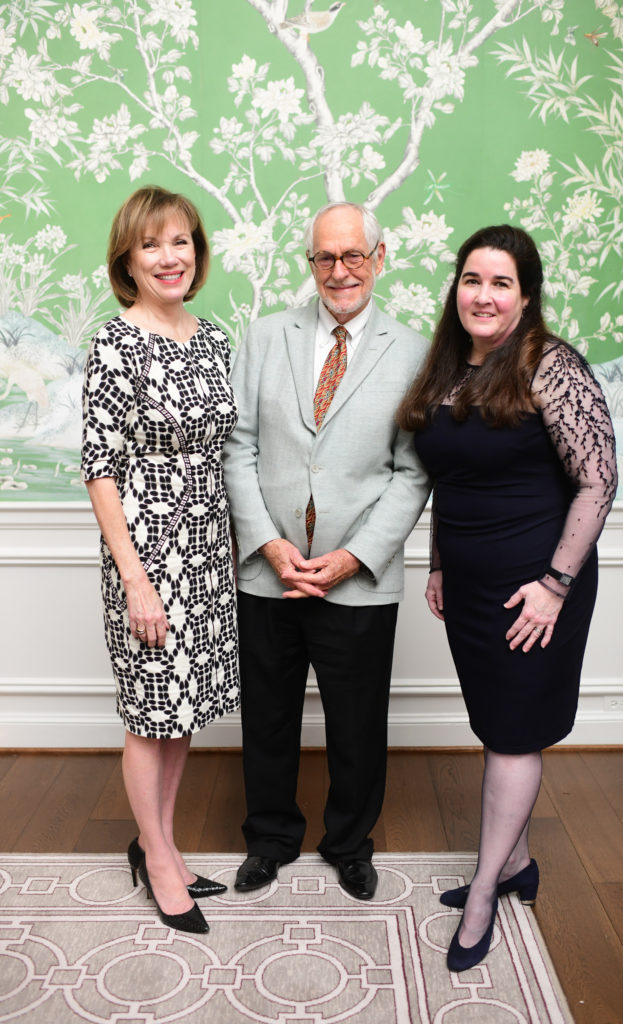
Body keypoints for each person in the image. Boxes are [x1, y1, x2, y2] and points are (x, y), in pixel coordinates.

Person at [398, 224, 617, 971]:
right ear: (454, 288)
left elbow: (598, 480)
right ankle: (516, 862)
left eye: (500, 283)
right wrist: (436, 564)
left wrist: (554, 586)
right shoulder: (446, 368)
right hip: (468, 582)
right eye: (471, 279)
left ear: (525, 297)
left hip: (534, 585)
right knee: (496, 724)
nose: (482, 295)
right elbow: (446, 477)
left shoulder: (549, 366)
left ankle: (487, 889)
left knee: (514, 733)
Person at [223, 201, 430, 901]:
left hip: (357, 577)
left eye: (352, 256)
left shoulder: (415, 351)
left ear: (379, 255)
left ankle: (348, 844)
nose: (338, 271)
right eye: (323, 257)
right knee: (269, 716)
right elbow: (239, 448)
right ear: (309, 262)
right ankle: (270, 840)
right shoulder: (262, 338)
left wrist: (352, 557)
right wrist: (268, 543)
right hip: (268, 570)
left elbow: (413, 472)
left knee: (356, 723)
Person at [81, 186, 240, 934]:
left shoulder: (212, 338)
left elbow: (226, 451)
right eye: (151, 245)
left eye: (179, 241)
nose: (168, 257)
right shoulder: (114, 343)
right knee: (151, 714)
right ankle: (155, 855)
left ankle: (164, 846)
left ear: (196, 253)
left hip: (208, 552)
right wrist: (135, 577)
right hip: (146, 556)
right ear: (128, 259)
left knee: (182, 713)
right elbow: (100, 468)